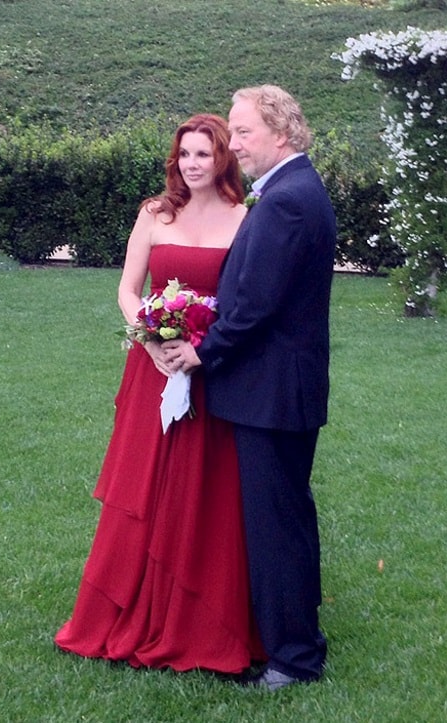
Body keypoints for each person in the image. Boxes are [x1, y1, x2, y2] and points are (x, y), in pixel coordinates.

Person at [55, 114, 264, 674]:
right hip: (153, 367)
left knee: (206, 487)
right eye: (185, 154)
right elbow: (128, 289)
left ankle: (199, 618)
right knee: (145, 483)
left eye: (204, 154)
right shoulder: (154, 213)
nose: (193, 164)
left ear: (224, 159)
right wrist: (149, 338)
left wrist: (201, 347)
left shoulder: (245, 219)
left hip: (211, 368)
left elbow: (244, 303)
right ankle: (127, 605)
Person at [166, 85, 337, 691]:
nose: (233, 144)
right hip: (282, 390)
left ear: (281, 133)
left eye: (242, 132)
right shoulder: (296, 189)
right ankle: (296, 641)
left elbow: (253, 305)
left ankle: (294, 658)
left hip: (272, 394)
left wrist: (201, 352)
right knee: (286, 519)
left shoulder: (287, 200)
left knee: (276, 527)